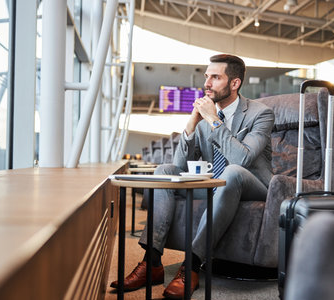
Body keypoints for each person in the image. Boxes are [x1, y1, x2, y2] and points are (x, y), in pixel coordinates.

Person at [111, 54, 275, 299]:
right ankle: (152, 262)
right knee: (164, 171)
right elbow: (178, 166)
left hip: (254, 184)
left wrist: (212, 120)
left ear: (234, 83)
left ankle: (192, 265)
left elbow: (241, 160)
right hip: (216, 185)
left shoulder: (260, 114)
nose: (206, 83)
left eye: (215, 77)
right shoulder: (204, 117)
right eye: (206, 76)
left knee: (232, 172)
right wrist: (191, 125)